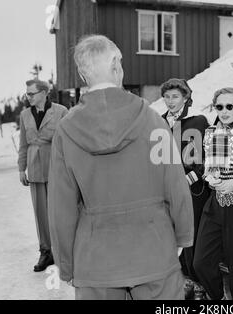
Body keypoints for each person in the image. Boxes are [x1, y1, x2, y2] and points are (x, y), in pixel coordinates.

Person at [47, 35, 194, 300]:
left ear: (82, 74)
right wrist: (182, 236)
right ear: (116, 65)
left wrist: (66, 264)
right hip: (154, 251)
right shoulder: (153, 121)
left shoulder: (66, 131)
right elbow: (176, 185)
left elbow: (60, 207)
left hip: (96, 261)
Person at [193, 88, 233, 300]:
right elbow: (209, 167)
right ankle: (218, 299)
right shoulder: (210, 133)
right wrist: (208, 177)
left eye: (230, 106)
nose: (225, 111)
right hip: (214, 204)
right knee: (200, 261)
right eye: (219, 106)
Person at [161, 78, 210, 299]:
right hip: (167, 189)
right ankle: (184, 279)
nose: (170, 101)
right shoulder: (159, 122)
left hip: (193, 188)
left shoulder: (197, 121)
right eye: (167, 96)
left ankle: (199, 281)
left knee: (193, 234)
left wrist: (191, 177)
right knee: (174, 234)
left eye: (175, 97)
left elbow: (206, 156)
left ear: (186, 97)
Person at [18, 79, 68, 272]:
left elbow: (68, 141)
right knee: (41, 213)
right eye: (27, 94)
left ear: (44, 93)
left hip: (56, 166)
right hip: (35, 168)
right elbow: (23, 144)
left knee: (60, 211)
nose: (28, 97)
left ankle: (63, 251)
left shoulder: (61, 111)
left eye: (31, 93)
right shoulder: (24, 115)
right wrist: (22, 168)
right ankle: (46, 252)